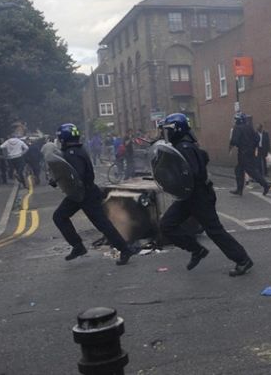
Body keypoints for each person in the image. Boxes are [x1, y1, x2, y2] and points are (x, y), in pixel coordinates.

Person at [157, 113, 254, 276]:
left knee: (214, 231)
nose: (166, 134)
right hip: (188, 196)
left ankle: (243, 260)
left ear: (177, 129)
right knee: (167, 225)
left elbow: (193, 174)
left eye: (168, 130)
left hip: (199, 196)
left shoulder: (185, 148)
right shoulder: (182, 145)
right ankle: (196, 249)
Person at [49, 123, 137, 265]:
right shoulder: (77, 149)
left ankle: (124, 249)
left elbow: (77, 175)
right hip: (80, 193)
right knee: (60, 216)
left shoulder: (72, 153)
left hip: (85, 194)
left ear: (64, 138)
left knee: (102, 224)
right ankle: (78, 246)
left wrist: (60, 180)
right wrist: (57, 179)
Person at [228, 113, 270, 196]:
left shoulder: (237, 128)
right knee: (239, 170)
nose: (235, 121)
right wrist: (252, 147)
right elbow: (257, 138)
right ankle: (239, 190)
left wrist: (231, 148)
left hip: (243, 153)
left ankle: (265, 185)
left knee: (251, 171)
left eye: (236, 119)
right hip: (250, 152)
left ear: (239, 120)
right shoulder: (249, 127)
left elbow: (234, 141)